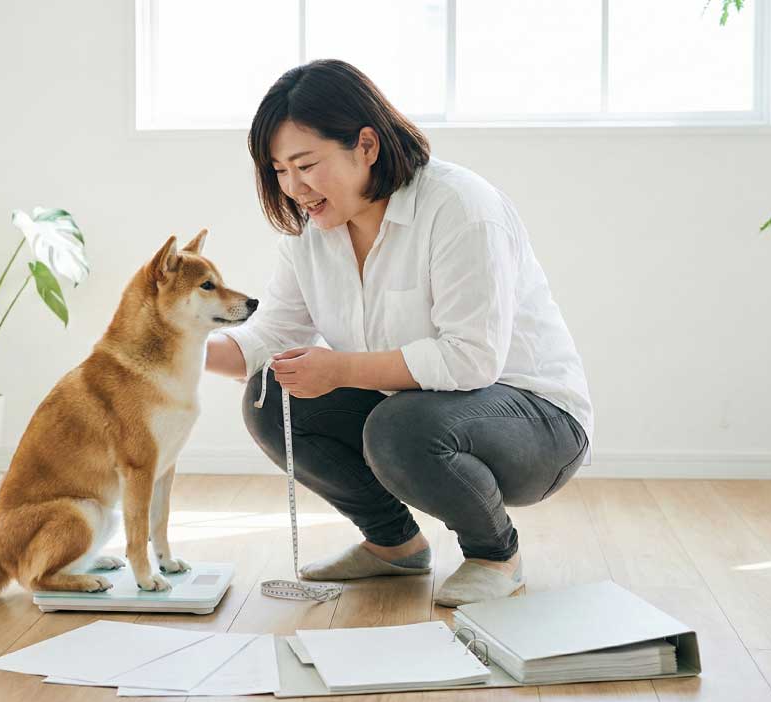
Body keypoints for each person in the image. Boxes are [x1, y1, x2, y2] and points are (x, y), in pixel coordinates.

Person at [204, 59, 593, 606]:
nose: (293, 187)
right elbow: (267, 337)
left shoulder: (460, 207)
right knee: (272, 397)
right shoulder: (312, 234)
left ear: (366, 145)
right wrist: (160, 351)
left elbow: (470, 360)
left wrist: (337, 370)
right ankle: (395, 547)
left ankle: (495, 554)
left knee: (398, 425)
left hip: (537, 425)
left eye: (306, 164)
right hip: (416, 413)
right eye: (279, 171)